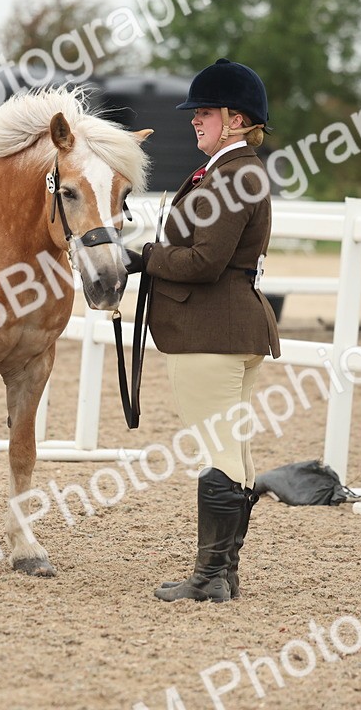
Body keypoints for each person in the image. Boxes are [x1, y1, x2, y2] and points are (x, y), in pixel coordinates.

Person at [125, 58, 281, 603]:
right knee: (231, 447)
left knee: (219, 450)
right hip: (230, 327)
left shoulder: (236, 173)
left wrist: (145, 258)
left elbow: (205, 261)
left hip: (212, 330)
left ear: (236, 120)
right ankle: (223, 572)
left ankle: (212, 575)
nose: (195, 121)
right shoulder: (228, 170)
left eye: (206, 113)